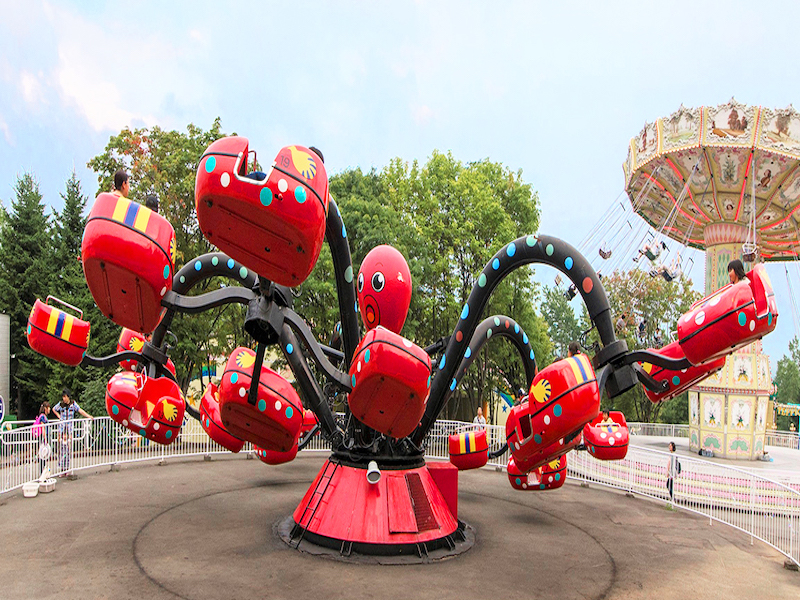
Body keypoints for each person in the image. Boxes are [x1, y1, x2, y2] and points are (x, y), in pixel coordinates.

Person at [51, 388, 93, 476]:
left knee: (68, 449)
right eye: (63, 397)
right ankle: (61, 469)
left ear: (68, 397)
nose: (64, 399)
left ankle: (67, 468)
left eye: (65, 397)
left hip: (69, 429)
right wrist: (59, 417)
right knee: (61, 449)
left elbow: (80, 410)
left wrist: (88, 416)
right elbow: (54, 409)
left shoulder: (73, 404)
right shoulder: (61, 404)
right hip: (62, 429)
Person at [33, 401, 52, 477]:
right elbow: (43, 428)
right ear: (45, 408)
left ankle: (43, 473)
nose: (49, 409)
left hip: (42, 437)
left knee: (43, 456)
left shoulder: (42, 416)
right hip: (42, 438)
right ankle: (42, 473)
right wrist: (45, 439)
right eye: (48, 407)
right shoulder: (43, 417)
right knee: (43, 455)